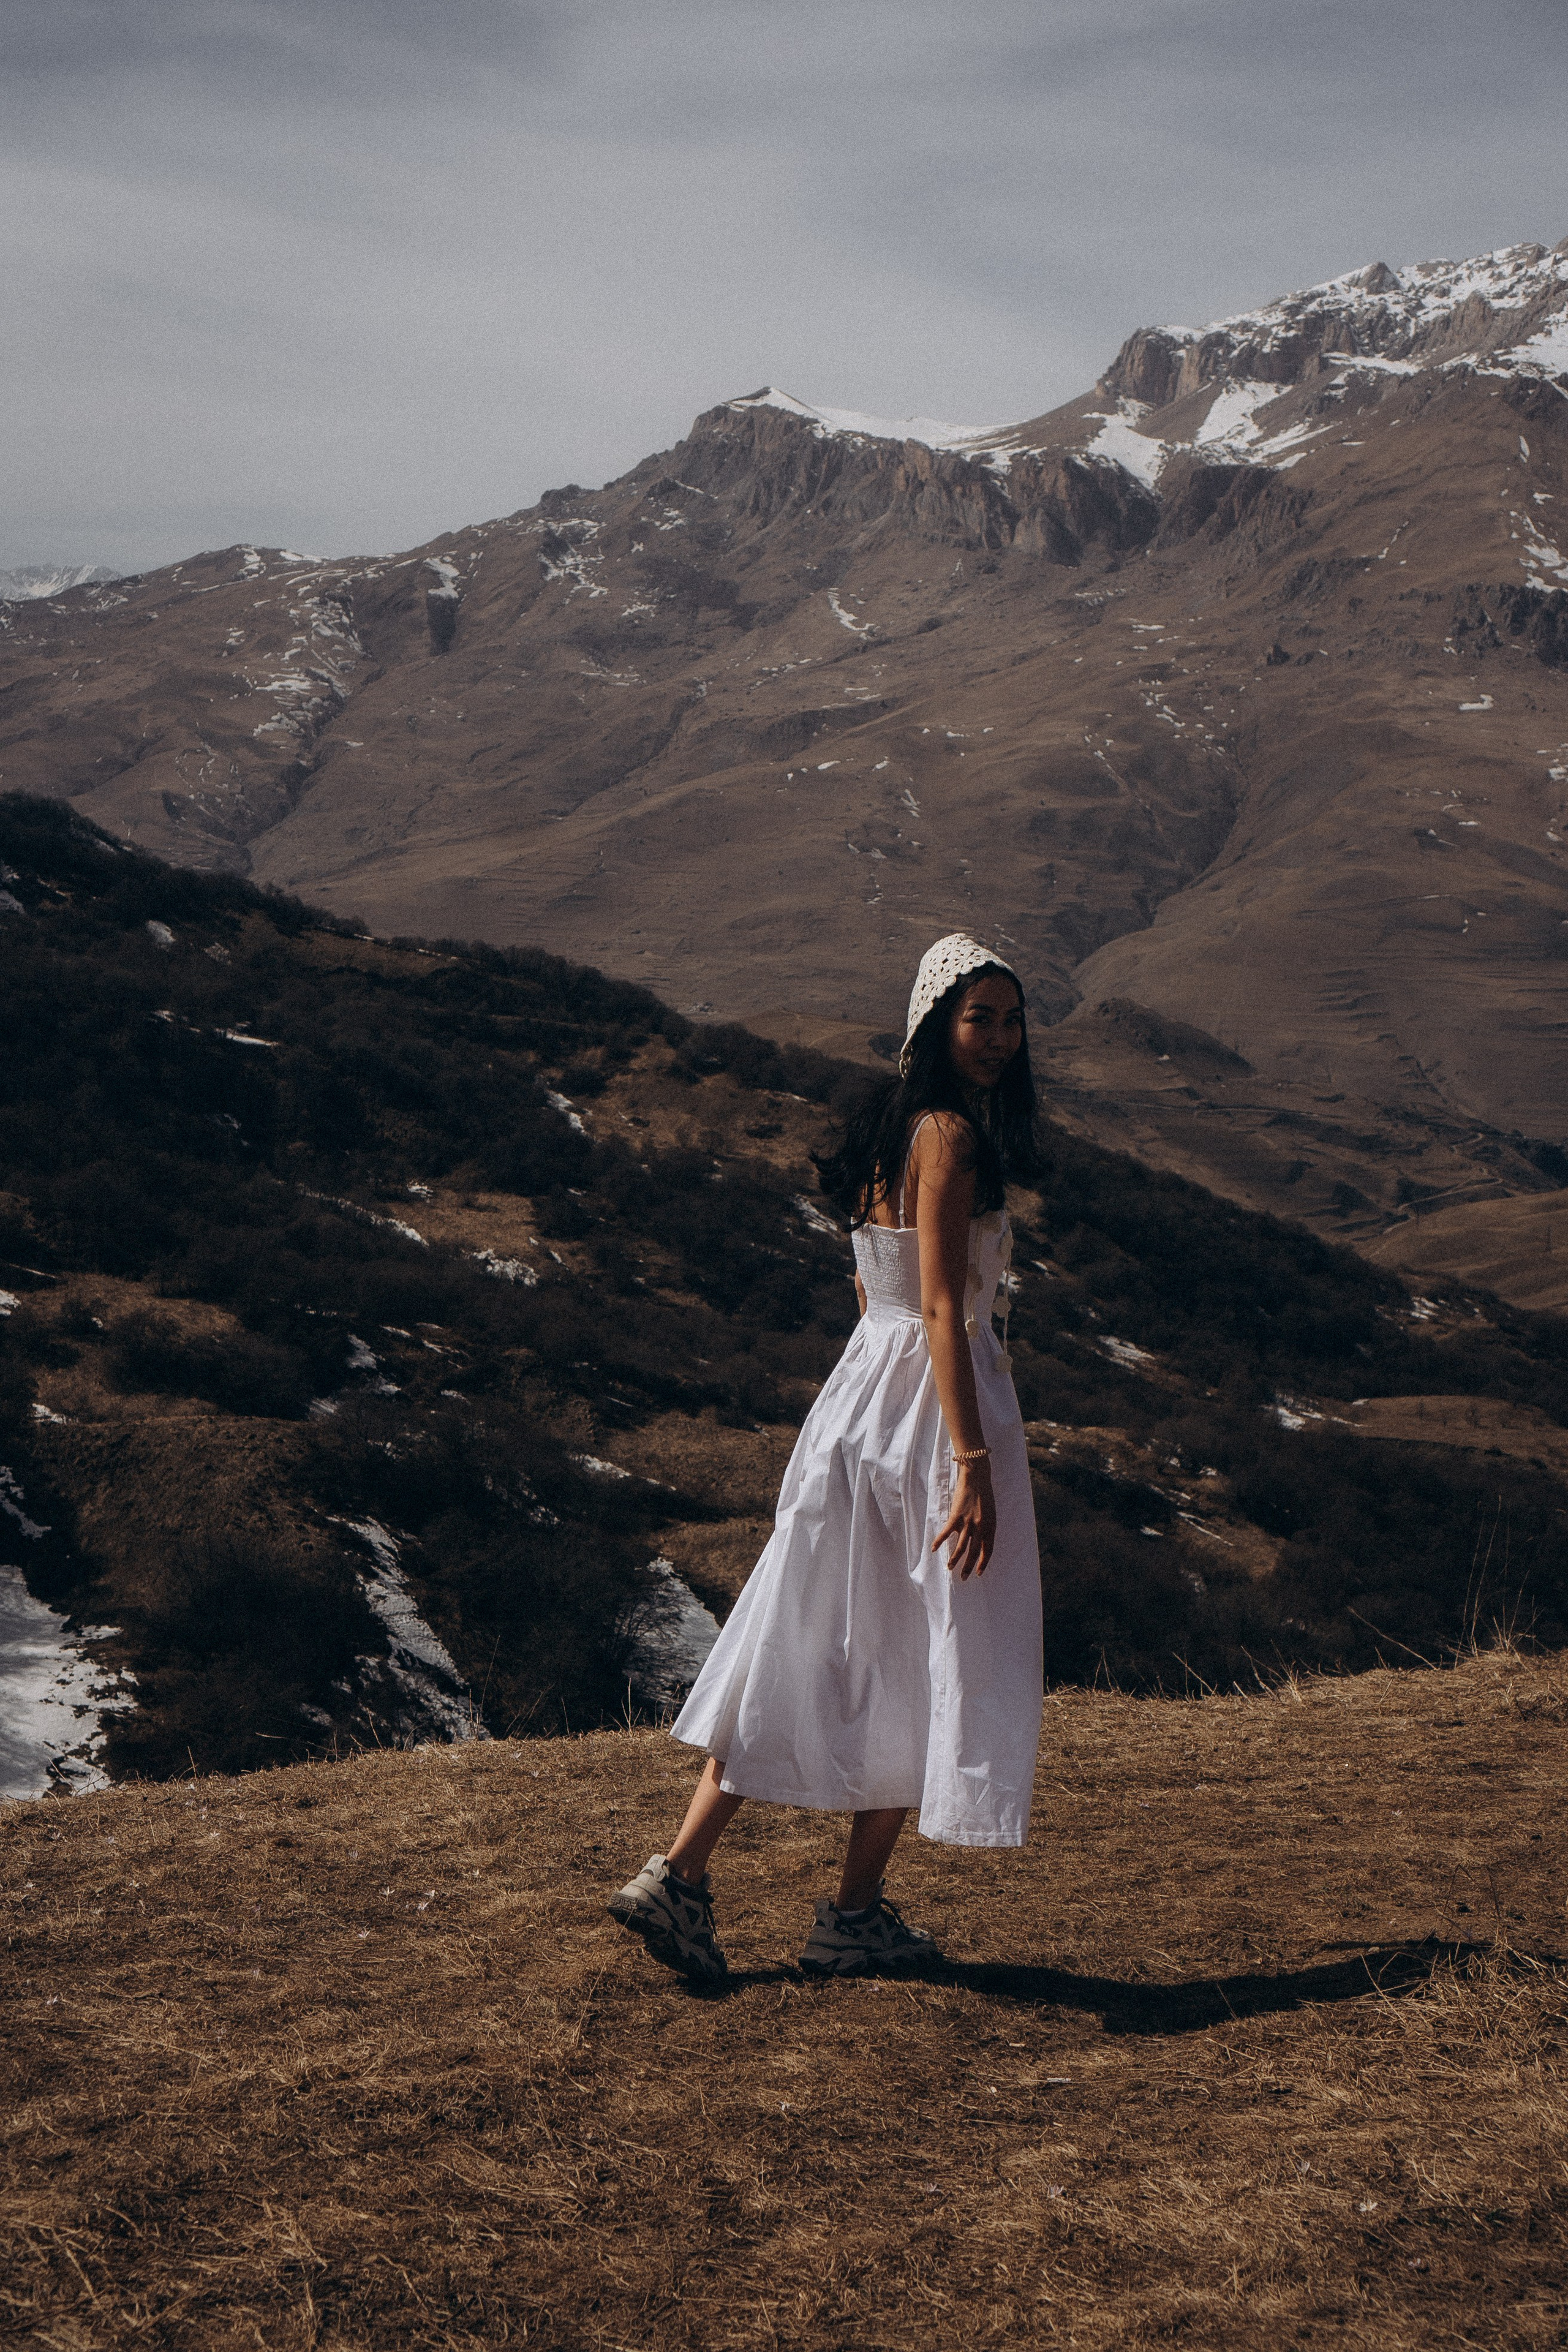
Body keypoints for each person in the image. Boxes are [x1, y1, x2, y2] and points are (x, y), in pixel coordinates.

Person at [609, 933, 1045, 1981]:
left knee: (809, 1633)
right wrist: (972, 1458)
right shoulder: (951, 1137)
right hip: (926, 1413)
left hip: (859, 1402)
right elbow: (941, 1303)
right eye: (977, 1017)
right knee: (930, 1645)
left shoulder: (890, 1129)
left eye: (1010, 1018)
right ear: (936, 1022)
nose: (996, 1039)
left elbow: (877, 1293)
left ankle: (681, 1875)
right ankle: (850, 1914)